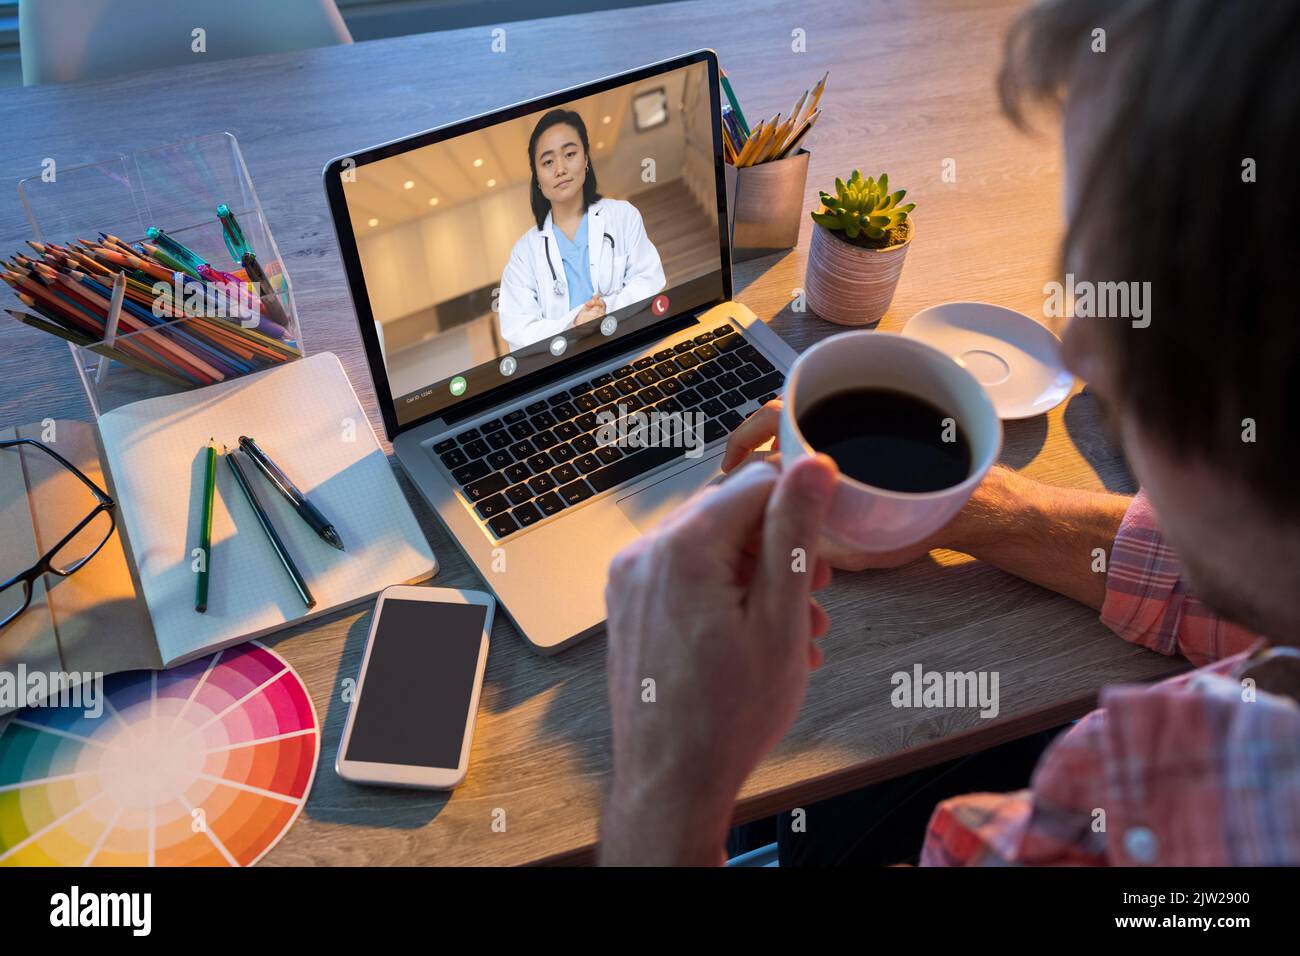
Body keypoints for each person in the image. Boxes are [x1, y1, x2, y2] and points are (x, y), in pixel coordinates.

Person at [599, 0, 1300, 866]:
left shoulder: (1122, 822)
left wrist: (663, 787)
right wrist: (969, 508)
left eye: (1121, 282)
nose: (1082, 343)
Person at [497, 108, 665, 353]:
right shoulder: (524, 253)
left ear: (586, 159)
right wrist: (574, 324)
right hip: (565, 366)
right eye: (547, 162)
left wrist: (606, 309)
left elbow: (650, 281)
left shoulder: (622, 216)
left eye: (570, 154)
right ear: (537, 178)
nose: (560, 169)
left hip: (633, 348)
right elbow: (518, 332)